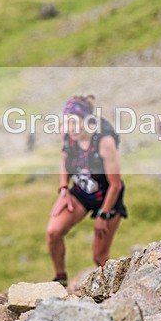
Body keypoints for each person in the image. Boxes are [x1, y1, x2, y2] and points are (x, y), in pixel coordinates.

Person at [46, 95, 126, 285]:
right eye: (67, 123)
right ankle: (60, 279)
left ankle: (121, 290)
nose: (70, 129)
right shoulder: (67, 135)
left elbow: (116, 184)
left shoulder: (104, 142)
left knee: (99, 257)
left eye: (74, 123)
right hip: (82, 192)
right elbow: (64, 161)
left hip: (107, 196)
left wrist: (103, 216)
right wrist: (64, 190)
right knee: (53, 232)